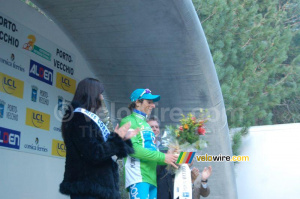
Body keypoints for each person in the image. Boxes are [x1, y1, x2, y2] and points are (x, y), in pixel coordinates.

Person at [59, 78, 138, 199]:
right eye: (100, 94)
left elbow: (102, 149)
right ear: (91, 94)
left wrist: (121, 139)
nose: (101, 98)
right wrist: (116, 138)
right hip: (88, 188)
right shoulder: (79, 118)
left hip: (97, 188)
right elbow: (94, 153)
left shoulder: (87, 119)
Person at [120, 88, 178, 199]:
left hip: (151, 178)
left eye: (153, 102)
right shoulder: (128, 121)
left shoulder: (146, 125)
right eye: (149, 102)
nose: (153, 105)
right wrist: (163, 156)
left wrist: (172, 157)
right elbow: (133, 150)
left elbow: (153, 153)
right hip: (138, 176)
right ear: (137, 102)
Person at [148, 117, 212, 199]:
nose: (154, 129)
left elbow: (186, 161)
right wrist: (167, 157)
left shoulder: (166, 146)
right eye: (151, 127)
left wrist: (188, 157)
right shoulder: (146, 148)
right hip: (155, 192)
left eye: (156, 127)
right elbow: (153, 170)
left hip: (173, 193)